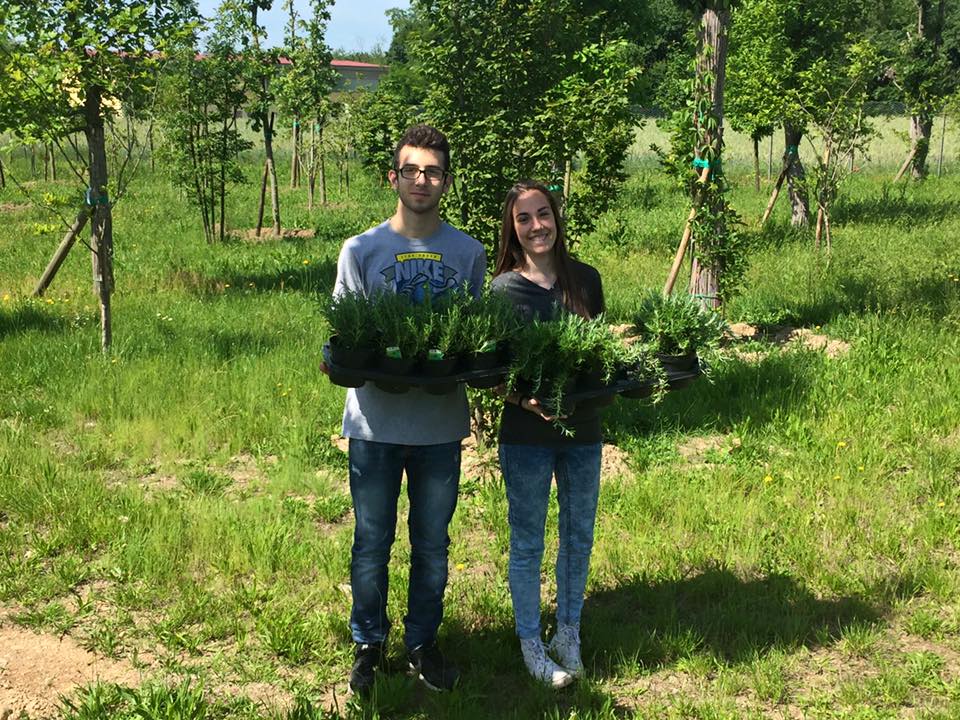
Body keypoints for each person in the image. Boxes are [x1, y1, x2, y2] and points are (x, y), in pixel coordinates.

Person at [332, 124, 486, 694]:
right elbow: (344, 334)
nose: (423, 180)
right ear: (393, 177)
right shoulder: (361, 250)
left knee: (433, 542)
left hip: (440, 425)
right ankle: (367, 643)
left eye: (434, 171)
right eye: (412, 170)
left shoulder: (467, 253)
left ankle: (423, 642)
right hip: (374, 423)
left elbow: (475, 338)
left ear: (445, 180)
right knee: (371, 540)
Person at [490, 180, 605, 688]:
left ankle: (569, 634)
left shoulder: (585, 281)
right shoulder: (502, 291)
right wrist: (521, 399)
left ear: (556, 218)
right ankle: (531, 644)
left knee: (578, 538)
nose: (537, 226)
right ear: (512, 231)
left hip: (582, 432)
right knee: (527, 543)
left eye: (543, 214)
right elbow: (488, 372)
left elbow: (601, 355)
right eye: (524, 219)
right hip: (525, 437)